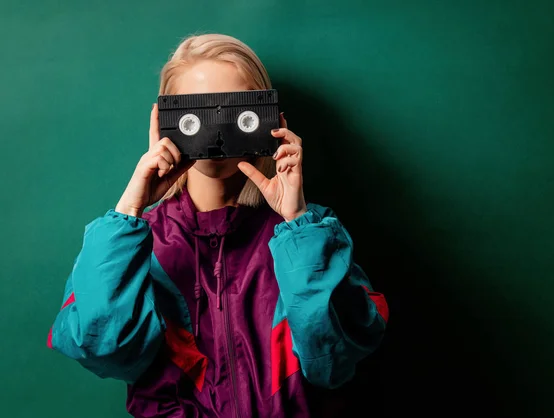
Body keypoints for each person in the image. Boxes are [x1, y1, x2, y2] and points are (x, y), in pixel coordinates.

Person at [46, 33, 389, 417]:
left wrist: (297, 223)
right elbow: (103, 350)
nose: (217, 133)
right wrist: (130, 209)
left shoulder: (312, 233)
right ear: (164, 122)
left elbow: (332, 363)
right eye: (194, 117)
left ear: (270, 120)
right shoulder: (134, 244)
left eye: (239, 115)